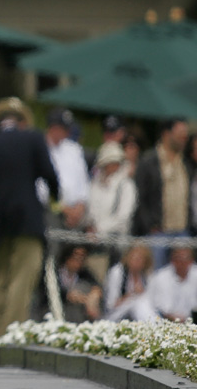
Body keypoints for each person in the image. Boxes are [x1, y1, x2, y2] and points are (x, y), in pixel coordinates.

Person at [0, 100, 60, 341]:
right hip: (27, 222)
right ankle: (11, 335)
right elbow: (50, 176)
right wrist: (56, 201)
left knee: (0, 280)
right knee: (22, 279)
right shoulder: (32, 138)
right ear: (20, 121)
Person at [132, 118, 192, 269]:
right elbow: (140, 197)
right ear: (166, 134)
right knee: (156, 274)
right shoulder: (148, 161)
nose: (184, 139)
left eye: (185, 136)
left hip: (181, 231)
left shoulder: (186, 163)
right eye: (180, 135)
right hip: (158, 232)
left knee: (183, 277)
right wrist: (150, 225)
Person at [84, 141, 137, 282]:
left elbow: (124, 217)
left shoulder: (126, 185)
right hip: (94, 245)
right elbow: (89, 208)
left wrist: (99, 230)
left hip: (116, 246)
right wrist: (90, 227)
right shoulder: (94, 183)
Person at [39, 107, 89, 230]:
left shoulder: (74, 149)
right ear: (53, 128)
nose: (68, 133)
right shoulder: (40, 149)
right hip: (50, 210)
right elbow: (41, 189)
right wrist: (64, 209)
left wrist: (79, 208)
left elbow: (83, 184)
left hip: (76, 212)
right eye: (64, 129)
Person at [141, 246, 197, 322]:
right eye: (178, 260)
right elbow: (157, 305)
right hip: (165, 320)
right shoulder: (160, 277)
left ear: (191, 261)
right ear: (172, 261)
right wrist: (174, 318)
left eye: (185, 260)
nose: (182, 263)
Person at [52, 244, 103, 323]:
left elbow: (96, 285)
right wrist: (70, 295)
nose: (78, 262)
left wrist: (93, 297)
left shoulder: (84, 273)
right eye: (75, 258)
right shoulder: (55, 272)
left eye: (82, 259)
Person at [104, 244, 154, 321]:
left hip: (139, 313)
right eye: (134, 258)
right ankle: (152, 325)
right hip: (117, 314)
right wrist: (132, 294)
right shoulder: (117, 272)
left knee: (142, 302)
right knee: (139, 303)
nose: (136, 262)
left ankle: (152, 324)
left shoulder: (146, 276)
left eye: (140, 259)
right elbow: (111, 304)